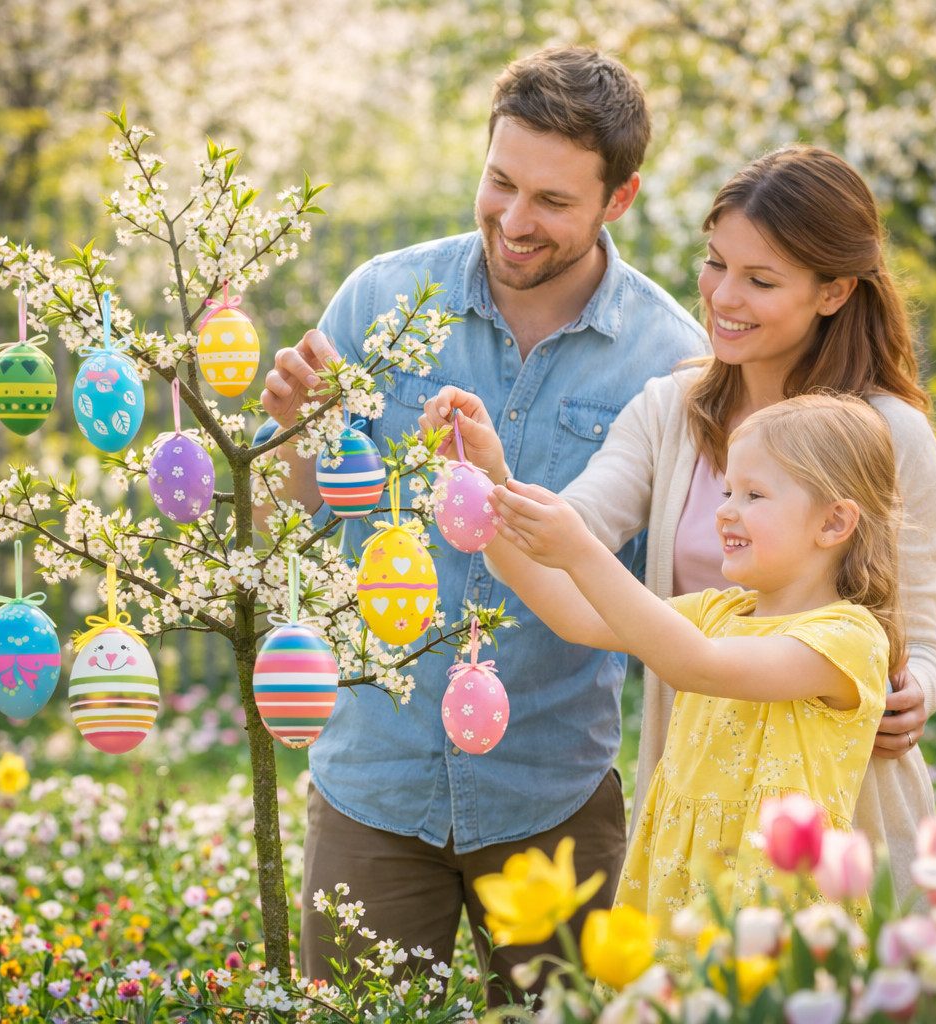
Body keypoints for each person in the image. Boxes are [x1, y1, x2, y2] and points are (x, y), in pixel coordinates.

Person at [258, 46, 707, 999]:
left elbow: (672, 590)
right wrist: (299, 429)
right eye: (499, 181)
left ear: (617, 201)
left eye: (552, 200)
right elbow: (281, 502)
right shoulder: (385, 300)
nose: (513, 218)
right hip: (374, 785)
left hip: (554, 796)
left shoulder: (671, 361)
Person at [421, 145, 936, 903]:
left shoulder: (890, 434)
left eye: (760, 280)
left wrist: (914, 689)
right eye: (715, 264)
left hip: (836, 840)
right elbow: (578, 562)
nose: (723, 297)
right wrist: (489, 486)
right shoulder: (672, 412)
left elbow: (920, 629)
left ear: (833, 292)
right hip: (701, 835)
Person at [486, 394, 896, 935]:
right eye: (727, 490)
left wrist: (581, 550)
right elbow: (574, 614)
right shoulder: (716, 610)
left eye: (754, 495)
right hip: (679, 884)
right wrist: (489, 481)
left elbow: (696, 665)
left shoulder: (847, 639)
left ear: (834, 522)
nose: (725, 509)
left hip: (771, 912)